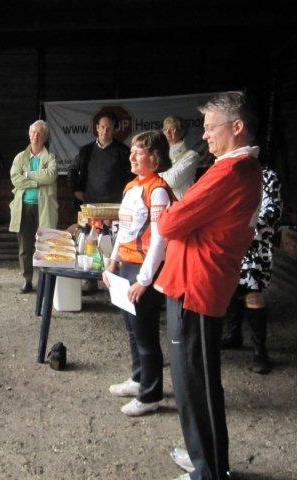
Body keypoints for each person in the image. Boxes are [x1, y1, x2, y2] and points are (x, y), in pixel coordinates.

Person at [154, 91, 262, 480]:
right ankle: (202, 454)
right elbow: (183, 217)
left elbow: (169, 223)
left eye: (210, 127)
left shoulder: (229, 172)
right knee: (190, 379)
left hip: (197, 286)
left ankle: (211, 470)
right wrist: (181, 214)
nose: (204, 135)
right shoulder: (238, 169)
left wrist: (173, 212)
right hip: (194, 282)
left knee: (196, 381)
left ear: (237, 127)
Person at [102, 131, 173, 417]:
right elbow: (124, 230)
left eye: (138, 152)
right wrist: (113, 262)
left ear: (154, 157)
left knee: (145, 334)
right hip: (127, 266)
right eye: (131, 150)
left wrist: (144, 280)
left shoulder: (158, 190)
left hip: (146, 269)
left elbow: (160, 240)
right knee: (132, 330)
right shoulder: (132, 186)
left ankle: (151, 395)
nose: (131, 156)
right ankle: (138, 378)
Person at [221, 166, 282, 374]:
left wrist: (243, 229)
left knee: (252, 293)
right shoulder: (226, 172)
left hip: (254, 244)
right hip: (228, 241)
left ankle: (260, 351)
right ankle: (234, 335)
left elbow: (272, 210)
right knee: (230, 288)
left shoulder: (266, 175)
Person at [9, 120, 58, 293]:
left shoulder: (50, 157)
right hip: (24, 206)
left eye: (39, 133)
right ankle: (27, 279)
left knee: (46, 243)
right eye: (33, 132)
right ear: (29, 134)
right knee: (25, 246)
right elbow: (16, 179)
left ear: (45, 137)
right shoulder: (20, 157)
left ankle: (46, 279)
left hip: (44, 207)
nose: (35, 136)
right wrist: (37, 182)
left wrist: (28, 175)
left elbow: (50, 176)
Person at [67, 111, 131, 208]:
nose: (105, 131)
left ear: (114, 130)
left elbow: (132, 175)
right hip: (89, 204)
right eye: (102, 127)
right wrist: (75, 190)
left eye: (109, 128)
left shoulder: (123, 151)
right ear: (97, 128)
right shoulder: (86, 150)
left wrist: (127, 194)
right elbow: (72, 170)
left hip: (115, 205)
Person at [160, 116, 200, 199]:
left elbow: (172, 182)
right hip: (161, 202)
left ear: (182, 132)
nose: (167, 132)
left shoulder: (191, 155)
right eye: (165, 129)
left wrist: (156, 173)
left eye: (172, 129)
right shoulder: (159, 154)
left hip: (181, 202)